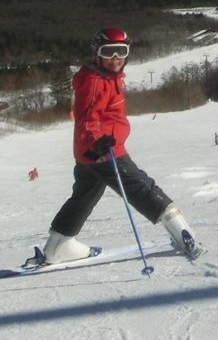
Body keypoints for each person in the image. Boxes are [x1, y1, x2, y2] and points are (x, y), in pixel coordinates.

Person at [39, 28, 200, 264]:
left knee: (84, 196)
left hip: (90, 152)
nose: (116, 58)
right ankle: (182, 233)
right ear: (97, 54)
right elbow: (87, 119)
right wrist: (98, 142)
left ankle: (58, 246)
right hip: (102, 151)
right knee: (140, 186)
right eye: (109, 52)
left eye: (121, 52)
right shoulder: (95, 82)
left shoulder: (108, 78)